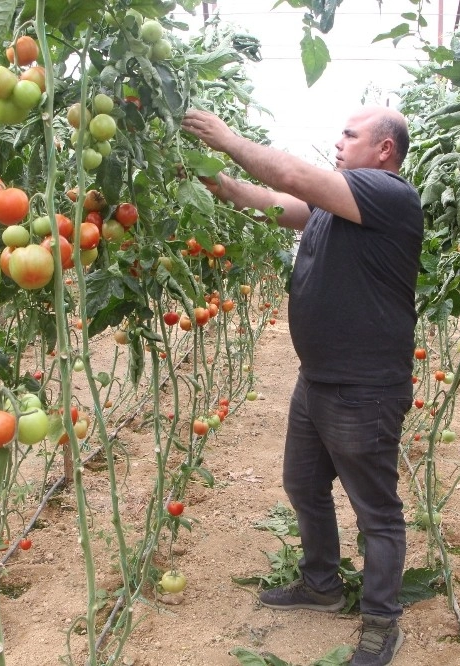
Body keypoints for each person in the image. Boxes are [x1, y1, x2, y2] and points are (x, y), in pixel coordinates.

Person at [181, 105, 423, 666]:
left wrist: (227, 138)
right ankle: (321, 584)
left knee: (377, 512)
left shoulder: (389, 195)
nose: (338, 142)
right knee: (303, 485)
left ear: (384, 149)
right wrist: (208, 174)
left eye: (350, 134)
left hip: (364, 388)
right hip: (317, 379)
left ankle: (381, 621)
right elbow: (266, 200)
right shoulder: (333, 207)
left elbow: (290, 175)